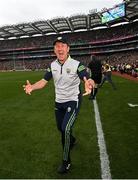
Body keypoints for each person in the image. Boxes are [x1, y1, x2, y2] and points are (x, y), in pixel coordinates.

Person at [23, 36, 95, 174]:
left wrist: (88, 81)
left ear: (68, 49)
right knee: (60, 129)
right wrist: (32, 86)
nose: (60, 48)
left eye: (63, 45)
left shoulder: (76, 64)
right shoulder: (52, 65)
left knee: (66, 129)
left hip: (73, 100)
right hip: (58, 102)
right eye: (57, 46)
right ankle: (72, 140)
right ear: (54, 50)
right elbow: (44, 81)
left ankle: (66, 161)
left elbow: (84, 75)